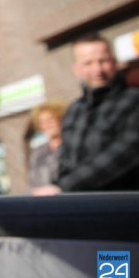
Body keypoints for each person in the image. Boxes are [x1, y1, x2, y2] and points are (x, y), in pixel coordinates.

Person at [33, 33, 139, 195]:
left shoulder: (133, 100)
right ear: (77, 69)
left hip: (124, 205)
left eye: (103, 61)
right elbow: (65, 160)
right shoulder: (74, 110)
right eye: (88, 63)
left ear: (114, 63)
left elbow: (126, 152)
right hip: (82, 204)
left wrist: (65, 186)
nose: (97, 70)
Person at [28, 101, 66, 190]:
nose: (47, 125)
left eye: (50, 120)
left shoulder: (72, 148)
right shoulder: (37, 152)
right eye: (42, 122)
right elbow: (32, 182)